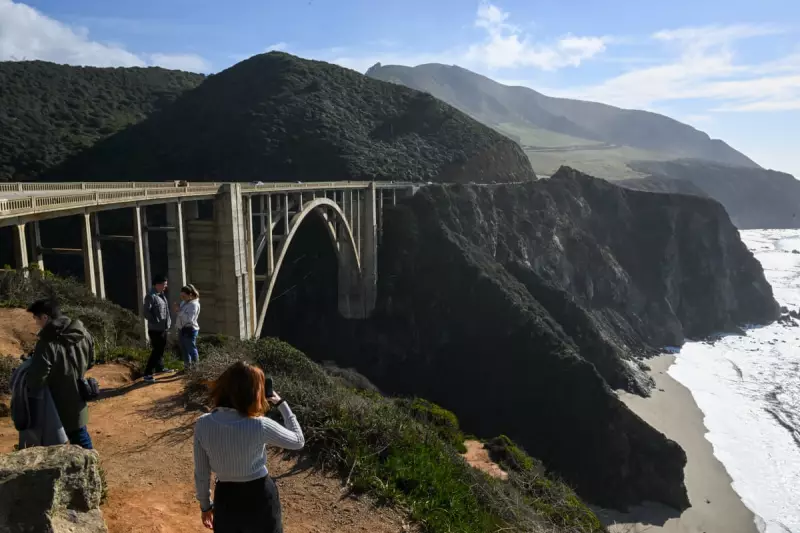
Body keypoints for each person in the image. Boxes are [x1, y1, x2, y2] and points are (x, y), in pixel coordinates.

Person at [193, 361, 304, 532]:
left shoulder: (202, 424)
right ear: (253, 393)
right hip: (260, 495)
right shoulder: (260, 425)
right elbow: (298, 441)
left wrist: (205, 507)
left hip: (226, 496)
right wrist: (282, 404)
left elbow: (201, 472)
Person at [25, 298, 95, 449]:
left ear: (45, 317)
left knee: (62, 441)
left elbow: (37, 378)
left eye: (36, 318)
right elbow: (91, 360)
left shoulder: (46, 343)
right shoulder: (82, 332)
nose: (36, 323)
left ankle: (88, 469)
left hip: (56, 400)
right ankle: (91, 467)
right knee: (80, 433)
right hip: (79, 392)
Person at [143, 274, 171, 383]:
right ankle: (147, 373)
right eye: (164, 285)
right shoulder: (150, 296)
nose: (165, 287)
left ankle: (160, 367)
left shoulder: (162, 295)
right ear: (157, 284)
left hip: (163, 328)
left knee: (161, 349)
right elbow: (146, 312)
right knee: (156, 351)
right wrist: (155, 321)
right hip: (155, 329)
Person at [174, 284, 201, 370]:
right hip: (182, 329)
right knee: (184, 349)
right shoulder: (184, 302)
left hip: (190, 329)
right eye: (181, 296)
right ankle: (187, 368)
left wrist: (179, 311)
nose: (182, 298)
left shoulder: (194, 305)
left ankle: (195, 368)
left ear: (190, 295)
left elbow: (189, 319)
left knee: (191, 349)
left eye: (184, 296)